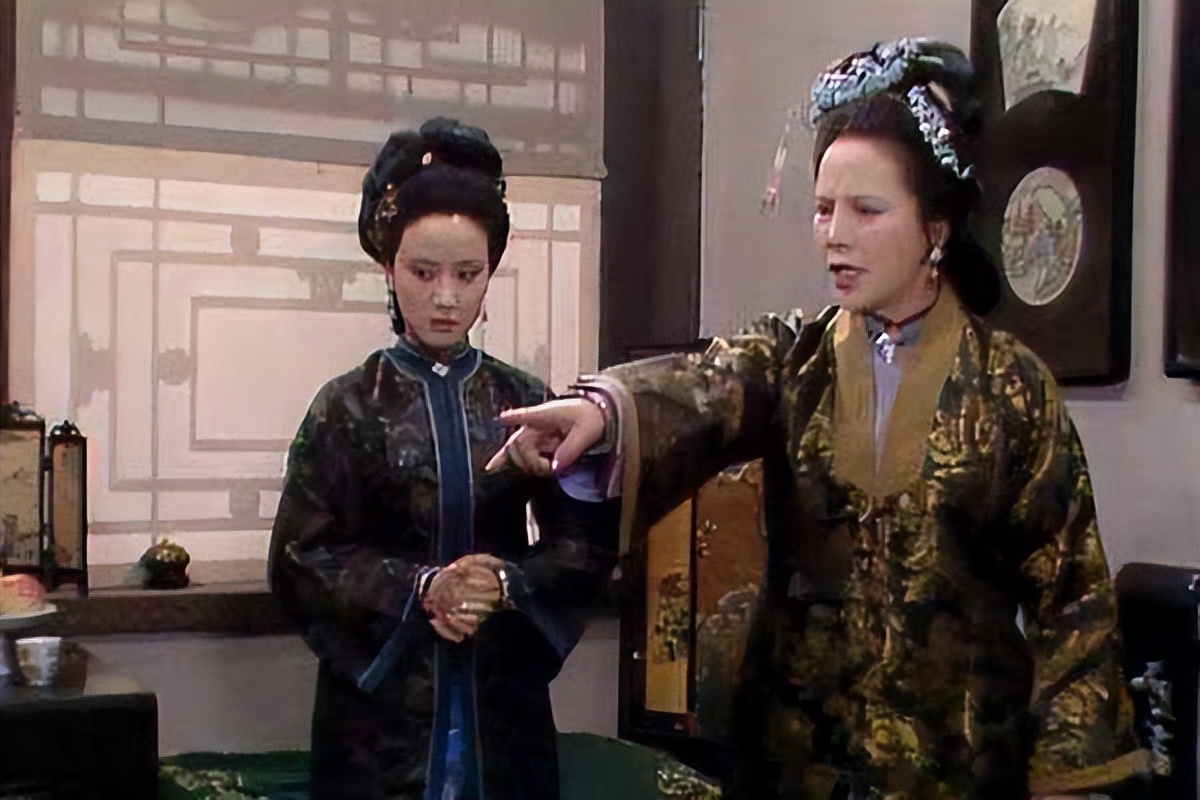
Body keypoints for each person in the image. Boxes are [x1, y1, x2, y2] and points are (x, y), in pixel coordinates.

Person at [487, 39, 1148, 800]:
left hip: (958, 767)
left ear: (935, 227)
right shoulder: (794, 360)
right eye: (823, 208)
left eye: (867, 210)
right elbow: (704, 385)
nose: (835, 233)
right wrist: (599, 412)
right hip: (793, 761)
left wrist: (1067, 781)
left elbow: (1073, 603)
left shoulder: (1011, 388)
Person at [268, 117, 617, 800]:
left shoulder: (524, 401)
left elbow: (585, 545)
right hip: (380, 721)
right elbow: (300, 558)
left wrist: (507, 583)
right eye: (423, 272)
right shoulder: (347, 407)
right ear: (388, 266)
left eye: (468, 273)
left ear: (491, 270)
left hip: (500, 702)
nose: (446, 296)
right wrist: (420, 589)